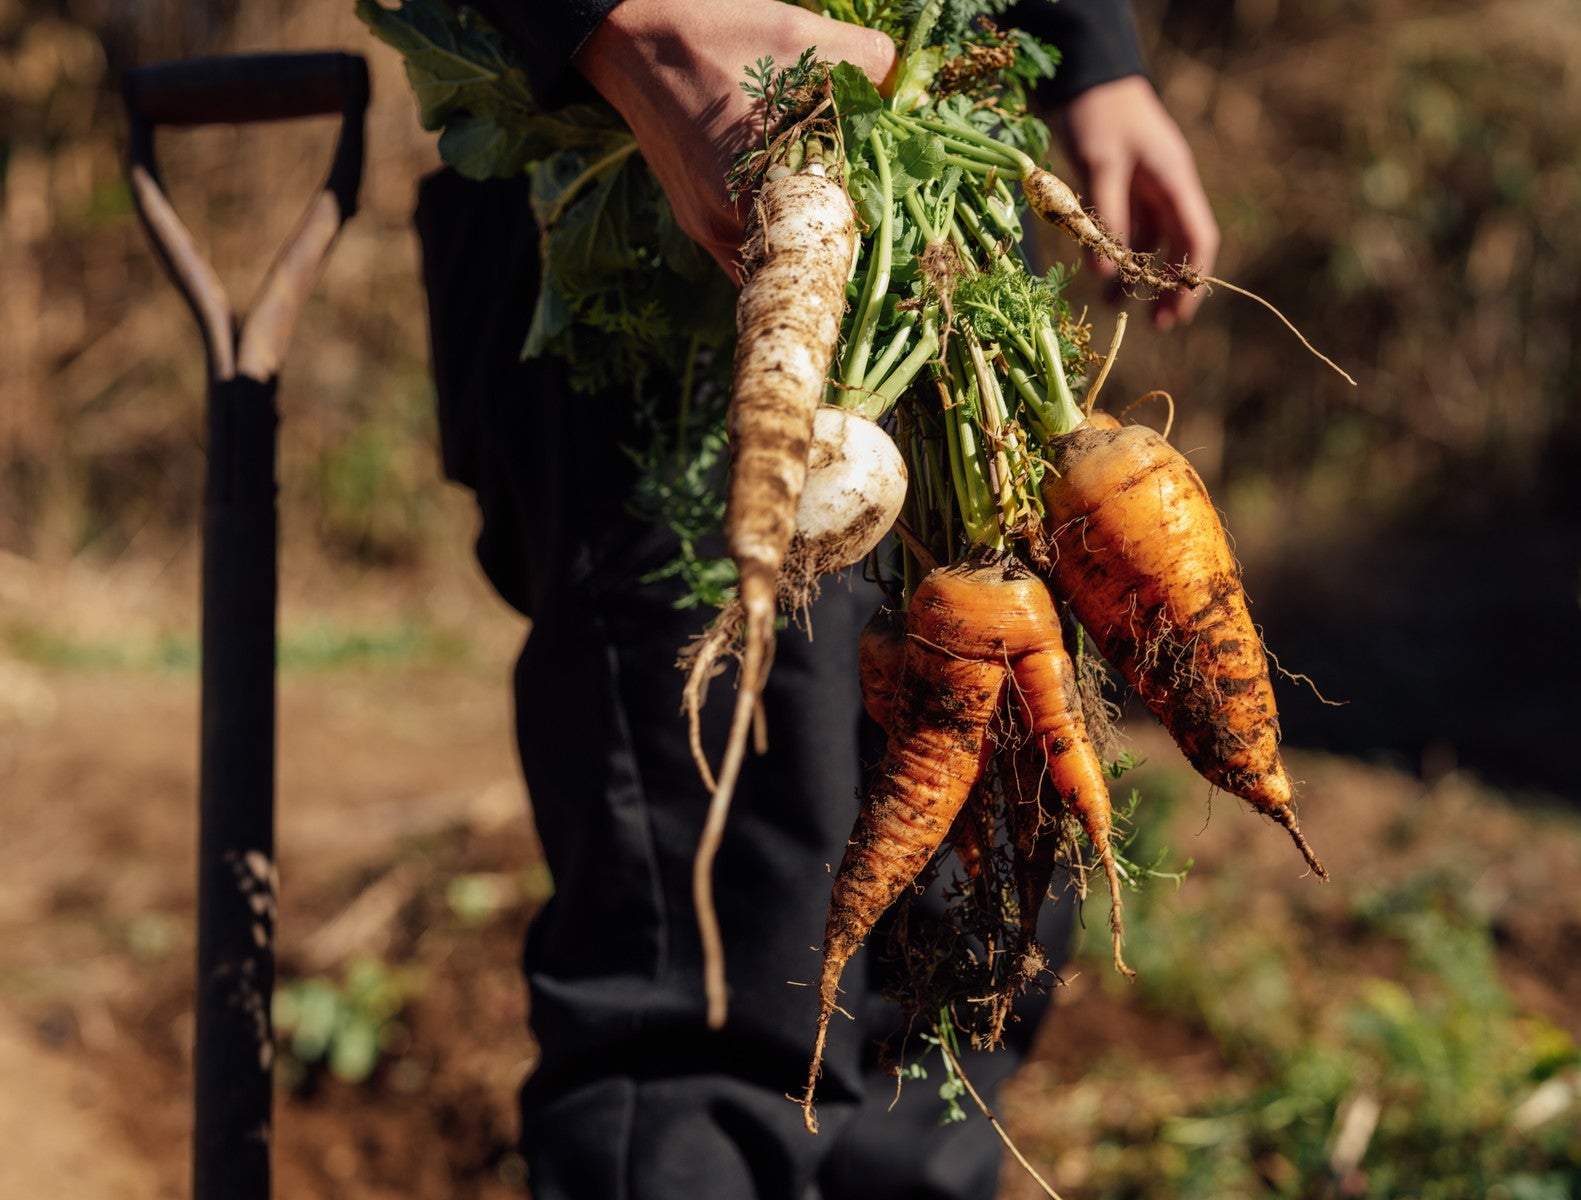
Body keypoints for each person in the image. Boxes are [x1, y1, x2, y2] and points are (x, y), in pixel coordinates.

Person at [411, 2, 1217, 1196]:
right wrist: (623, 26)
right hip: (666, 225)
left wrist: (1091, 52)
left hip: (940, 234)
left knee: (963, 942)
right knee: (718, 970)